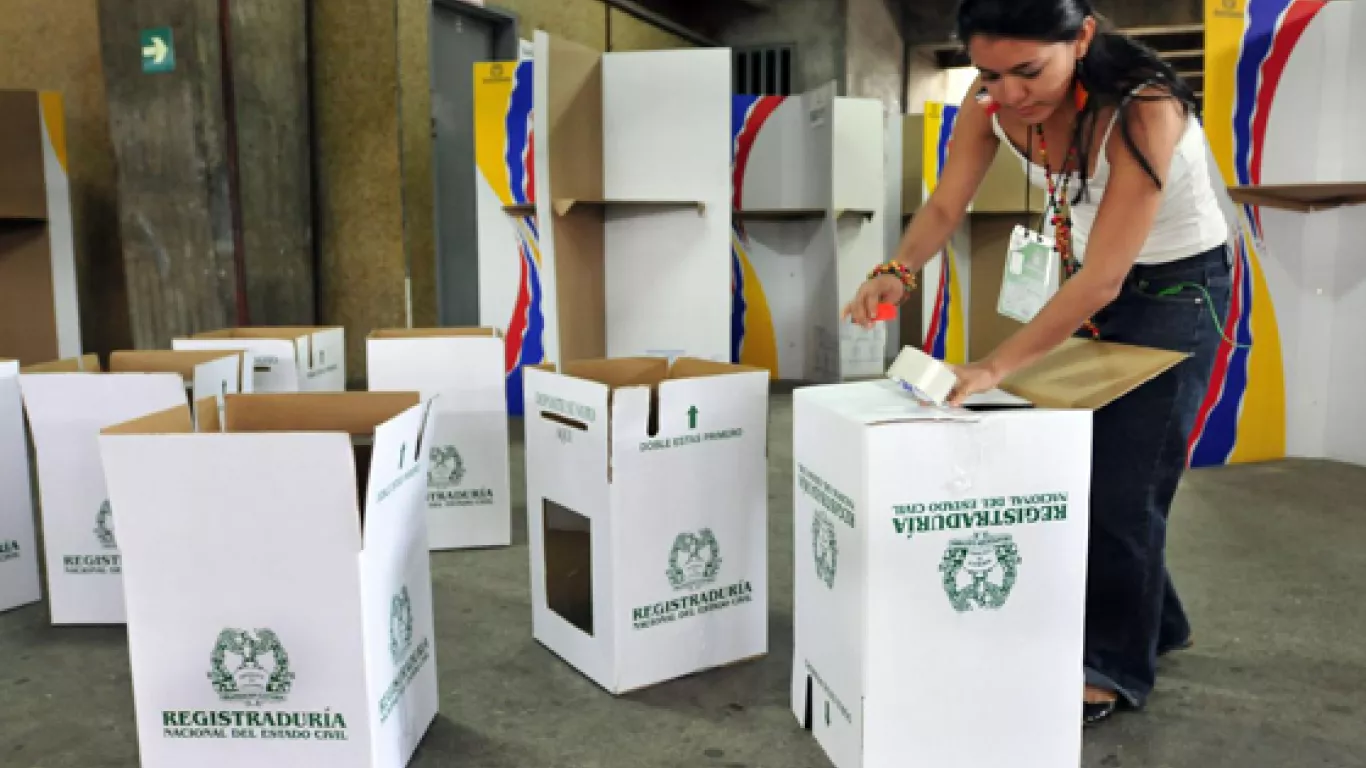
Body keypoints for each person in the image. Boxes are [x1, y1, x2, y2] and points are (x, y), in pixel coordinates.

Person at [844, 0, 1232, 726]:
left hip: (1180, 287)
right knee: (1097, 473)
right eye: (990, 73)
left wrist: (991, 368)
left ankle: (1113, 665)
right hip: (1098, 275)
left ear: (1082, 36)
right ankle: (1160, 620)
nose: (1012, 94)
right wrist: (896, 267)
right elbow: (943, 206)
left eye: (1030, 70)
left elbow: (1105, 279)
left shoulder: (1145, 108)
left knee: (1127, 481)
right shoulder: (987, 105)